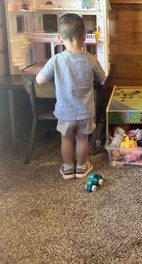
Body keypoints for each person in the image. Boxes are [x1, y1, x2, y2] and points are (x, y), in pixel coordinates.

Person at [36, 13, 105, 179]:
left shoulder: (56, 60)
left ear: (60, 38)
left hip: (65, 111)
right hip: (85, 111)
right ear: (84, 36)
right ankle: (81, 167)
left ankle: (68, 168)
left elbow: (39, 80)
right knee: (82, 139)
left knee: (66, 139)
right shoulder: (91, 59)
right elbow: (102, 78)